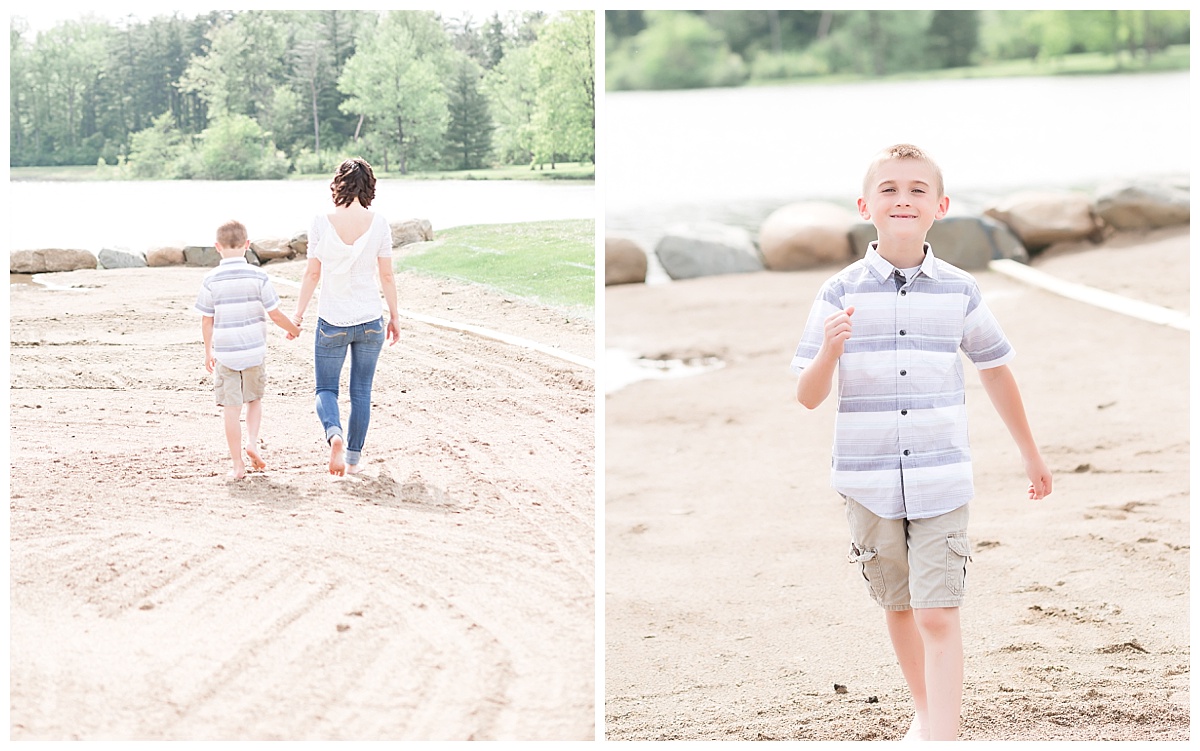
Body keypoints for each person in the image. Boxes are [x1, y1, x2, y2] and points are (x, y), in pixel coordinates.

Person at [790, 144, 1052, 741]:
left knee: (938, 611)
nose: (902, 199)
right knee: (901, 608)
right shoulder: (838, 292)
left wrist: (1029, 453)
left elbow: (994, 368)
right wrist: (831, 350)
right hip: (868, 479)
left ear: (940, 206)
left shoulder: (959, 290)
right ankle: (928, 713)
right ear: (865, 206)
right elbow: (807, 397)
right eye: (888, 189)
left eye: (916, 190)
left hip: (941, 479)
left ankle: (943, 735)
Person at [291, 157, 401, 476]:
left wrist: (297, 315)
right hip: (370, 319)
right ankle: (352, 463)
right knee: (362, 391)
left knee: (326, 389)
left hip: (332, 320)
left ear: (338, 184)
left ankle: (334, 434)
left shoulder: (321, 222)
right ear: (370, 186)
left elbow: (312, 274)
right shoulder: (379, 223)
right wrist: (394, 317)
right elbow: (388, 277)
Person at [196, 220, 300, 479]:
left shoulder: (211, 279)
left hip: (226, 354)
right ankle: (252, 442)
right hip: (253, 351)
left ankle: (237, 465)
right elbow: (274, 314)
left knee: (231, 409)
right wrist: (294, 329)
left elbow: (206, 320)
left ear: (217, 247)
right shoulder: (259, 276)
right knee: (254, 400)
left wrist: (208, 351)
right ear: (247, 245)